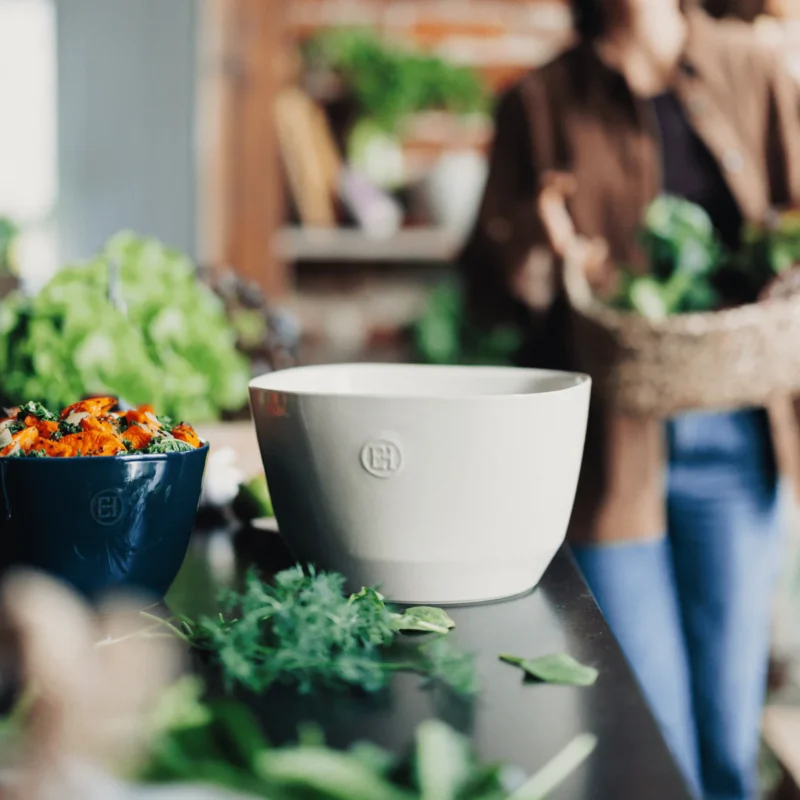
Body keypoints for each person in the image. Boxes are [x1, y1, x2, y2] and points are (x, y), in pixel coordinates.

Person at [459, 2, 800, 799]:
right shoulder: (539, 102)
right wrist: (541, 257)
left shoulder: (753, 66)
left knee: (725, 732)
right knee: (651, 734)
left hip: (737, 439)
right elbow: (488, 292)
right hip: (607, 460)